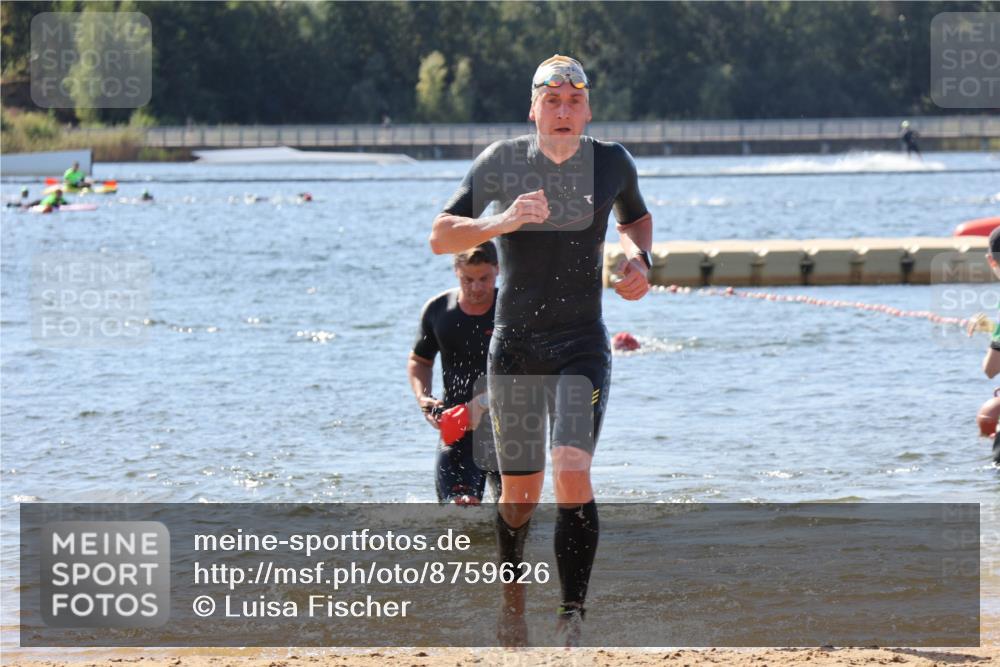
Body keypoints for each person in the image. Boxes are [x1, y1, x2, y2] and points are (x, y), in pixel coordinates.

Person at [429, 54, 653, 646]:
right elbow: (440, 236)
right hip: (516, 348)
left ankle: (571, 616)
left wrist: (640, 261)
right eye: (551, 101)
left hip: (582, 343)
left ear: (588, 110)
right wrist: (499, 221)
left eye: (573, 101)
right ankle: (513, 605)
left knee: (572, 470)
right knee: (520, 498)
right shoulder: (502, 162)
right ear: (533, 109)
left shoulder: (612, 162)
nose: (562, 111)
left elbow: (636, 220)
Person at [409, 242, 502, 505]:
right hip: (458, 427)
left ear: (497, 269)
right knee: (457, 510)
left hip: (511, 428)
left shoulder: (511, 311)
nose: (476, 287)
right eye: (467, 279)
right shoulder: (439, 310)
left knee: (514, 515)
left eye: (484, 278)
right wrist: (424, 398)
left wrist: (482, 403)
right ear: (456, 271)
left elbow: (532, 373)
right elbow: (419, 361)